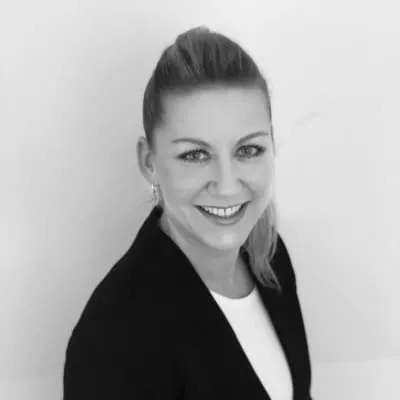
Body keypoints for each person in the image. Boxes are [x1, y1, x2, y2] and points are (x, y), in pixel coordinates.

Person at [63, 26, 313, 399]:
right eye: (195, 155)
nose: (226, 185)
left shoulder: (270, 256)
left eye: (248, 150)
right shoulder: (111, 341)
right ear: (149, 162)